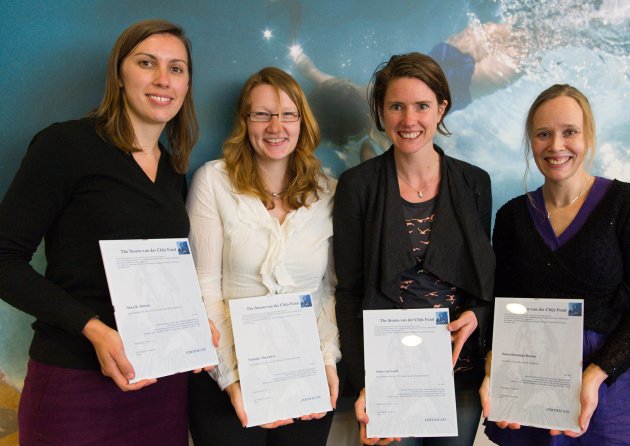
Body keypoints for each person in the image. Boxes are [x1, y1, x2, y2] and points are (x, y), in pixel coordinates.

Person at [0, 19, 214, 446]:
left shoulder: (174, 171)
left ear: (188, 84)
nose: (162, 79)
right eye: (146, 63)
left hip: (160, 385)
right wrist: (93, 329)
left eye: (176, 69)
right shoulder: (65, 145)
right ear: (119, 74)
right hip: (75, 382)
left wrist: (192, 321)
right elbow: (4, 260)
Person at [480, 84, 630, 445]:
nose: (556, 146)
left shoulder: (629, 205)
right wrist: (495, 369)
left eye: (569, 132)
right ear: (530, 141)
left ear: (588, 135)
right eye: (543, 134)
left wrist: (596, 374)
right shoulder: (512, 217)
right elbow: (501, 307)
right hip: (529, 386)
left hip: (606, 384)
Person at [333, 52, 496, 446]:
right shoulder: (358, 186)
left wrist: (476, 315)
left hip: (460, 376)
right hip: (388, 380)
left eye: (422, 106)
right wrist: (365, 384)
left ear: (441, 108)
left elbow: (484, 281)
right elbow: (350, 292)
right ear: (381, 111)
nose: (409, 121)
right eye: (396, 107)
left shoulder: (475, 182)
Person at [186, 67, 340, 446]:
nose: (276, 126)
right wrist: (233, 379)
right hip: (226, 380)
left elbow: (328, 289)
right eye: (262, 114)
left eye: (288, 114)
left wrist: (327, 359)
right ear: (245, 121)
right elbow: (203, 285)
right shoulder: (213, 181)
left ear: (302, 123)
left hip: (304, 373)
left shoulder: (329, 191)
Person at [292, 21, 525, 170]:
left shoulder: (372, 134)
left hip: (462, 87)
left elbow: (376, 170)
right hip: (438, 58)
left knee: (527, 52)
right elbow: (307, 68)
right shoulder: (343, 89)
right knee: (519, 30)